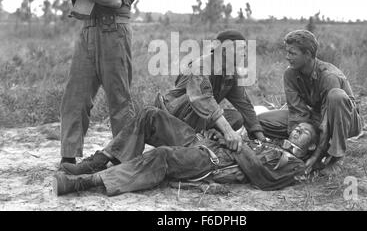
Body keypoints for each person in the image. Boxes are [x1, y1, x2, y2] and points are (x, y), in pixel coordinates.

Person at [59, 30, 265, 175]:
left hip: (194, 125)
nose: (245, 53)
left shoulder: (230, 72)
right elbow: (202, 98)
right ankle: (101, 160)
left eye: (245, 49)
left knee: (236, 116)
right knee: (154, 112)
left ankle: (202, 138)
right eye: (240, 49)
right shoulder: (202, 64)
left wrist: (259, 136)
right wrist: (228, 131)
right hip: (172, 118)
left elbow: (244, 105)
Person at [53, 107, 319, 196]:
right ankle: (98, 162)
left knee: (163, 156)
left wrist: (234, 145)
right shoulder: (271, 141)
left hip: (211, 159)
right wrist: (225, 135)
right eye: (296, 128)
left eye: (304, 132)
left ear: (312, 146)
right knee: (151, 115)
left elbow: (264, 178)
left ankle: (84, 182)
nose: (296, 132)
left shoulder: (295, 164)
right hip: (205, 142)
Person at [60, 0, 136, 166]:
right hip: (89, 34)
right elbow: (83, 10)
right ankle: (69, 156)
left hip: (112, 34)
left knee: (119, 99)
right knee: (75, 96)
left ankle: (126, 158)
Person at [258, 30, 364, 175]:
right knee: (262, 121)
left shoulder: (329, 76)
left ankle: (336, 157)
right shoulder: (290, 74)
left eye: (292, 53)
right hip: (316, 116)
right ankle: (307, 146)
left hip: (343, 119)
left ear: (307, 54)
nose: (287, 57)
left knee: (336, 96)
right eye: (287, 52)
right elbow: (297, 113)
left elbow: (326, 125)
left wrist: (315, 157)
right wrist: (296, 143)